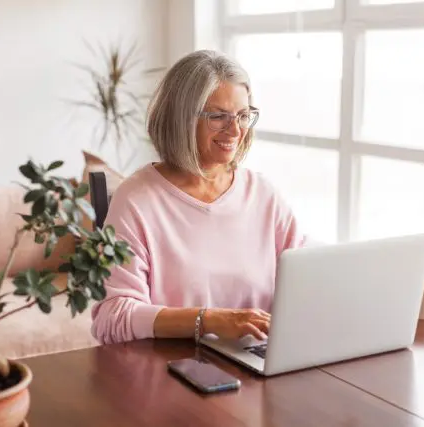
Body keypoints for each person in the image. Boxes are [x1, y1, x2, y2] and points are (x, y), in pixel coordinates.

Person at [90, 50, 306, 345]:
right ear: (181, 119)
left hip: (256, 362)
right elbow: (112, 318)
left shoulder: (263, 195)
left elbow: (306, 282)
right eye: (218, 116)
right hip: (173, 369)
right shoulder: (136, 200)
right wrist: (208, 321)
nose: (235, 130)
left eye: (243, 116)